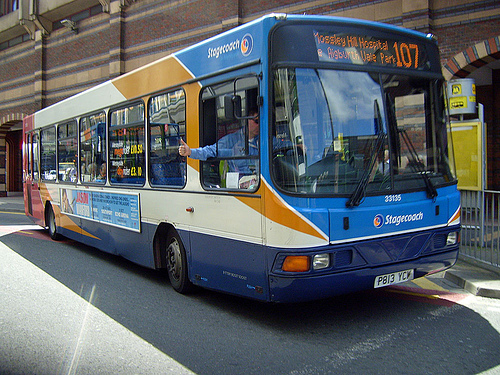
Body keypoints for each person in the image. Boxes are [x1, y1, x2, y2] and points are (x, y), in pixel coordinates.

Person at [179, 108, 260, 176]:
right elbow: (212, 151)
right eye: (256, 121)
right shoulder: (232, 140)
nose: (259, 125)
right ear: (246, 120)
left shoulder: (267, 141)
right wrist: (190, 152)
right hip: (240, 187)